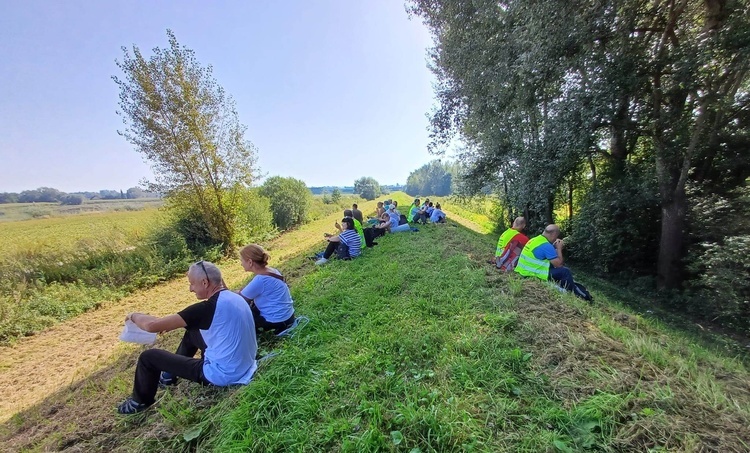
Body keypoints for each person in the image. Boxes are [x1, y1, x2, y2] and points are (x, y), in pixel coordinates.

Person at [117, 261, 257, 414]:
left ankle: (139, 402)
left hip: (223, 374)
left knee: (148, 357)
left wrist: (132, 315)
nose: (190, 289)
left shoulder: (205, 309)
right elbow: (166, 323)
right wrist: (165, 324)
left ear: (205, 282)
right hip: (244, 363)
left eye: (192, 284)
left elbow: (152, 325)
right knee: (192, 331)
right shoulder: (233, 296)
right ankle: (169, 376)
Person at [238, 244, 295, 335]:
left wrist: (237, 292)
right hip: (288, 317)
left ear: (250, 262)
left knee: (239, 317)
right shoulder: (272, 271)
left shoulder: (260, 280)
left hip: (277, 322)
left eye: (241, 260)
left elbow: (239, 300)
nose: (241, 263)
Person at [515, 224, 574, 290]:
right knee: (565, 271)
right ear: (554, 234)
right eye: (556, 236)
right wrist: (559, 249)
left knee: (551, 264)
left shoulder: (535, 240)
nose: (556, 239)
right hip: (532, 274)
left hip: (522, 271)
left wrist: (553, 247)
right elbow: (559, 265)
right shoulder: (546, 246)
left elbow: (542, 252)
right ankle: (571, 292)